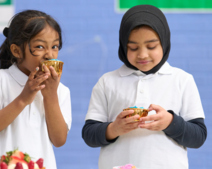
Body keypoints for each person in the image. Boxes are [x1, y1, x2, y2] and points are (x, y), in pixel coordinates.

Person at [82, 5, 207, 169]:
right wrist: (114, 128)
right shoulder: (107, 82)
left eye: (151, 46)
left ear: (164, 42)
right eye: (133, 47)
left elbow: (198, 136)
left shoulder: (182, 80)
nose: (142, 54)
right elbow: (89, 134)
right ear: (123, 45)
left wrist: (170, 122)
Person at [0, 10, 72, 168]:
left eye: (54, 46)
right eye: (39, 46)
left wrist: (51, 96)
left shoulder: (61, 91)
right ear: (17, 51)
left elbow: (59, 140)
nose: (49, 55)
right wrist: (24, 98)